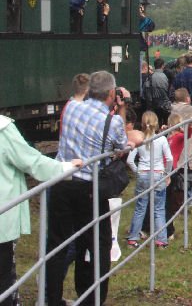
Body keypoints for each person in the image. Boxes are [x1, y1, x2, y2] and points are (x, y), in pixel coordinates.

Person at [46, 72, 143, 306]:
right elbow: (120, 147)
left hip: (62, 181)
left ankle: (50, 297)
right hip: (89, 187)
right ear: (112, 94)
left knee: (57, 244)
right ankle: (91, 298)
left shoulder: (71, 107)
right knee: (96, 244)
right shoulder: (112, 121)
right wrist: (132, 138)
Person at [0, 116, 81, 306]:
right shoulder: (3, 130)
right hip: (2, 220)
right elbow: (31, 162)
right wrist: (65, 167)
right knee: (4, 276)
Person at [126, 111, 173, 248]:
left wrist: (138, 172)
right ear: (156, 123)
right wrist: (167, 173)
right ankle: (162, 240)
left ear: (142, 123)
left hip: (143, 174)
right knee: (159, 208)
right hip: (158, 173)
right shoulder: (162, 139)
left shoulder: (140, 140)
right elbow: (169, 159)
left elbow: (130, 161)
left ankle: (133, 239)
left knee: (140, 207)